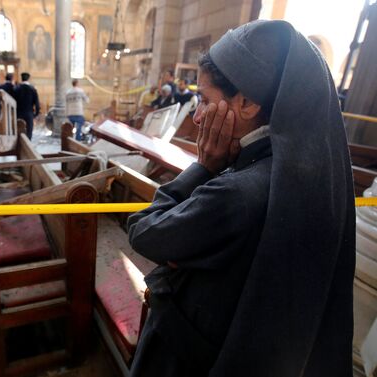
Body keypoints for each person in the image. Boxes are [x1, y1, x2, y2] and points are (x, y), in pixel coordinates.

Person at [128, 20, 354, 377]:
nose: (198, 116)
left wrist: (203, 168)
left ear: (246, 102)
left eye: (203, 99)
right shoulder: (303, 176)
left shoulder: (237, 194)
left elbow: (143, 232)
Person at [15, 72, 40, 139]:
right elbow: (37, 103)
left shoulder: (16, 89)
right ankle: (28, 143)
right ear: (28, 78)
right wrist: (36, 114)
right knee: (29, 130)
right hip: (29, 112)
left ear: (21, 78)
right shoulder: (32, 89)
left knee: (19, 129)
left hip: (18, 112)